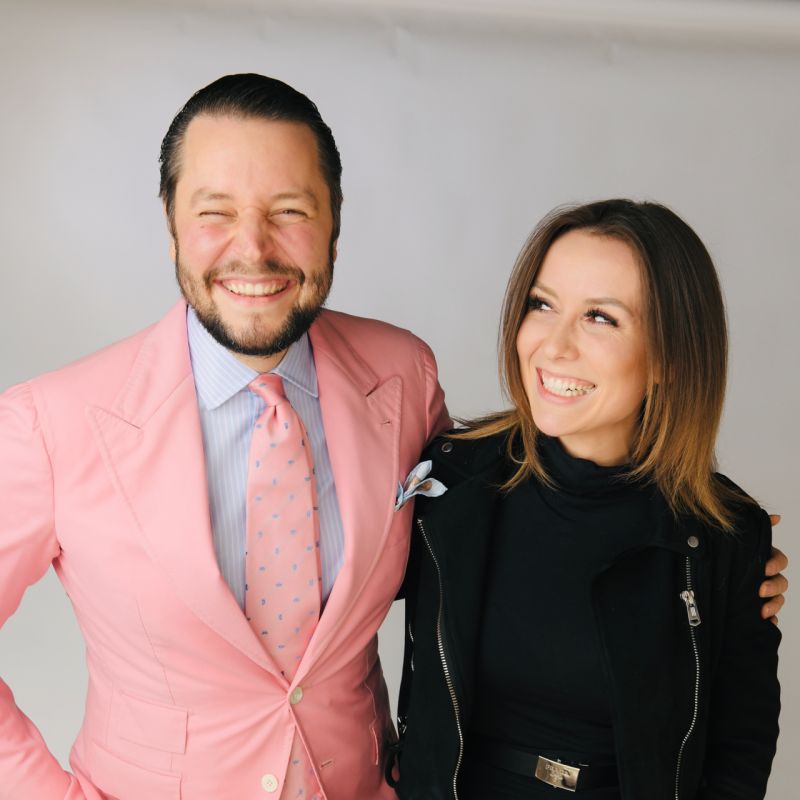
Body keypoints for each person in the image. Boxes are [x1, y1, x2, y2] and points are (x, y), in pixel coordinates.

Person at [0, 74, 450, 800]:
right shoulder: (50, 421)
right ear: (171, 225)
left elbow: (459, 588)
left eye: (290, 211)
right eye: (215, 212)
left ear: (334, 219)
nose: (253, 249)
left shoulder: (405, 375)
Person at [391, 200, 784, 800]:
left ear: (671, 358)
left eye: (601, 317)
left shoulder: (721, 537)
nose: (555, 345)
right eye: (542, 305)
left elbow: (740, 750)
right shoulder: (451, 480)